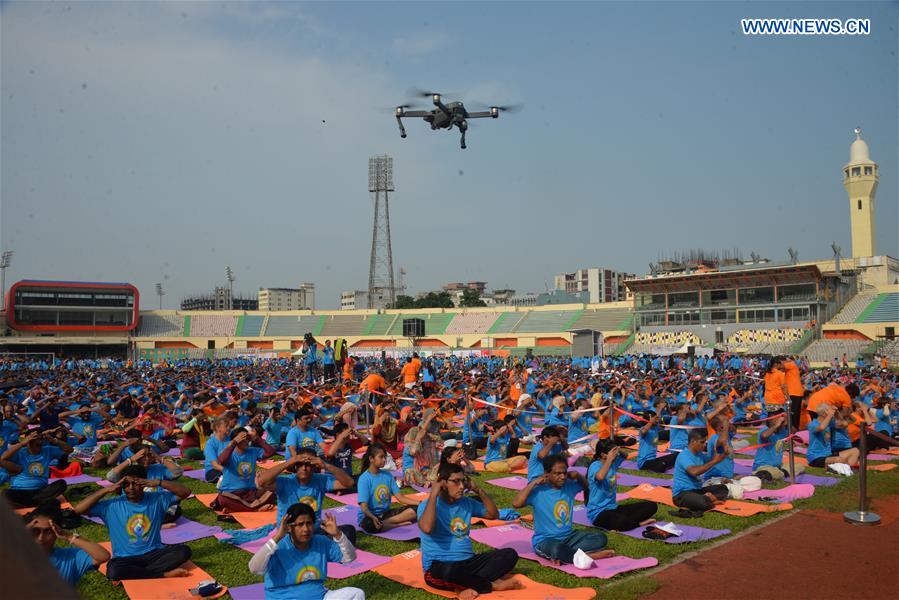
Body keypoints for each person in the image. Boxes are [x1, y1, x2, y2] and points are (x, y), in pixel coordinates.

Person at [418, 463, 521, 598]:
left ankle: (463, 584)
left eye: (463, 481)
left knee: (509, 555)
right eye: (456, 481)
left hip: (468, 562)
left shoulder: (466, 503)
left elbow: (493, 515)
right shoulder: (427, 505)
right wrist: (433, 495)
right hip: (440, 565)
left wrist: (478, 490)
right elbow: (427, 528)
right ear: (442, 483)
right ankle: (491, 585)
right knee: (449, 572)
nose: (461, 486)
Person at [73, 465, 192, 580]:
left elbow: (185, 492)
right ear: (121, 485)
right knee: (114, 571)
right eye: (126, 484)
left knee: (183, 551)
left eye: (135, 483)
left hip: (154, 553)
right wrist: (106, 490)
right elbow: (79, 509)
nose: (131, 488)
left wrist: (159, 482)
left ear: (144, 483)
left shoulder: (157, 499)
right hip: (125, 558)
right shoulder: (110, 505)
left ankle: (138, 572)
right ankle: (162, 574)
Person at [248, 502, 363, 600]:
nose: (306, 529)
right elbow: (254, 568)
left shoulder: (321, 542)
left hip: (319, 596)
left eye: (309, 523)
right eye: (300, 524)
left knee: (356, 594)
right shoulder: (278, 546)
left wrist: (338, 534)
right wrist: (277, 537)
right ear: (289, 527)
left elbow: (349, 558)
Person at [513, 454, 613, 566]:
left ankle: (567, 554)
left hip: (569, 537)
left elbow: (587, 486)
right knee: (556, 549)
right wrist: (533, 482)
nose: (563, 477)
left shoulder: (568, 486)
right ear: (547, 473)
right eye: (557, 474)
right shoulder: (538, 491)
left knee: (600, 538)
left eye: (564, 473)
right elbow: (516, 503)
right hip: (546, 541)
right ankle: (587, 556)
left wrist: (578, 476)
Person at [257, 447, 357, 544]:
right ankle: (315, 544)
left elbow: (349, 483)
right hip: (291, 532)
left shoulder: (321, 480)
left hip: (314, 530)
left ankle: (314, 544)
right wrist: (289, 462)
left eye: (308, 464)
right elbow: (262, 481)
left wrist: (326, 465)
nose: (304, 468)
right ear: (295, 466)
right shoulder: (286, 481)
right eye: (300, 464)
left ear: (314, 467)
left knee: (349, 531)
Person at [24, 500, 110, 587]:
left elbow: (103, 556)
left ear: (57, 532)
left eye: (48, 532)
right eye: (35, 531)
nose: (41, 538)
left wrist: (68, 536)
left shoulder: (70, 557)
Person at [587, 439, 657, 531]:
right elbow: (600, 477)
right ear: (603, 455)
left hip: (614, 508)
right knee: (620, 521)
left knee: (651, 506)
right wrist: (609, 460)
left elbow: (625, 455)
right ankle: (638, 523)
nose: (615, 455)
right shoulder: (595, 466)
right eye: (613, 453)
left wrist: (617, 449)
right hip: (598, 513)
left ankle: (624, 523)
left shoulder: (612, 464)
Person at [1, 428, 72, 508]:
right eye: (35, 439)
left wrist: (54, 440)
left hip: (40, 490)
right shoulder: (20, 451)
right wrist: (22, 443)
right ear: (28, 441)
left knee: (61, 484)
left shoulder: (48, 450)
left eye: (40, 439)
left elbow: (69, 450)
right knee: (6, 493)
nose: (39, 442)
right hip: (19, 490)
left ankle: (30, 503)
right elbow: (3, 458)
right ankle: (38, 502)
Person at [357, 444, 420, 533]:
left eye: (385, 457)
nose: (384, 460)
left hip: (385, 514)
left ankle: (386, 523)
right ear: (371, 459)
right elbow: (364, 508)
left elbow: (400, 497)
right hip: (368, 517)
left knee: (417, 509)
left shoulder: (387, 475)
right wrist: (373, 517)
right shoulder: (364, 479)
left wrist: (420, 503)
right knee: (369, 524)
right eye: (381, 457)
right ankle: (394, 524)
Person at [214, 427, 276, 512]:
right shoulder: (228, 452)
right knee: (222, 499)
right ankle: (254, 508)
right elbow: (221, 461)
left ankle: (237, 508)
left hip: (250, 492)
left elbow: (270, 452)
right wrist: (234, 442)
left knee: (273, 488)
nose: (246, 441)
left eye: (247, 439)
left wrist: (257, 439)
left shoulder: (253, 451)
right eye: (242, 439)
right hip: (231, 493)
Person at [671, 429, 729, 515]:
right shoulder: (684, 455)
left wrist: (721, 455)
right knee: (702, 502)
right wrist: (714, 461)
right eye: (702, 442)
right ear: (693, 441)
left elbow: (711, 461)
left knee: (723, 488)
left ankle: (708, 499)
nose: (704, 444)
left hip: (697, 490)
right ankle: (709, 500)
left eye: (705, 442)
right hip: (682, 494)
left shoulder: (699, 454)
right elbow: (694, 472)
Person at [807, 404, 859, 475]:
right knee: (840, 460)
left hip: (828, 454)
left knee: (855, 451)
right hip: (816, 457)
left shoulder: (829, 423)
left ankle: (847, 469)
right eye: (829, 412)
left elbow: (844, 424)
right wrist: (830, 415)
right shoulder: (812, 424)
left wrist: (837, 412)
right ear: (824, 413)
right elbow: (822, 428)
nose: (832, 414)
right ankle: (844, 469)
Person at [202, 417, 231, 483]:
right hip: (213, 470)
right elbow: (215, 465)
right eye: (226, 426)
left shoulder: (230, 440)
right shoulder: (211, 443)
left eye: (229, 426)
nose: (229, 428)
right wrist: (228, 472)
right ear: (218, 428)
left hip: (227, 468)